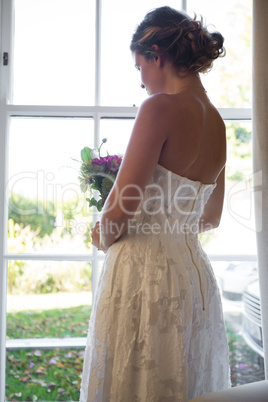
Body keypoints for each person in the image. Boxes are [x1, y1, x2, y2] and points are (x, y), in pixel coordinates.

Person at [80, 6, 230, 402]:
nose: (142, 82)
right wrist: (170, 227)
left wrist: (98, 233)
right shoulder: (217, 124)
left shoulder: (158, 109)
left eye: (139, 67)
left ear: (157, 56)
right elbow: (211, 218)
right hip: (192, 278)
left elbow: (118, 216)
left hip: (144, 277)